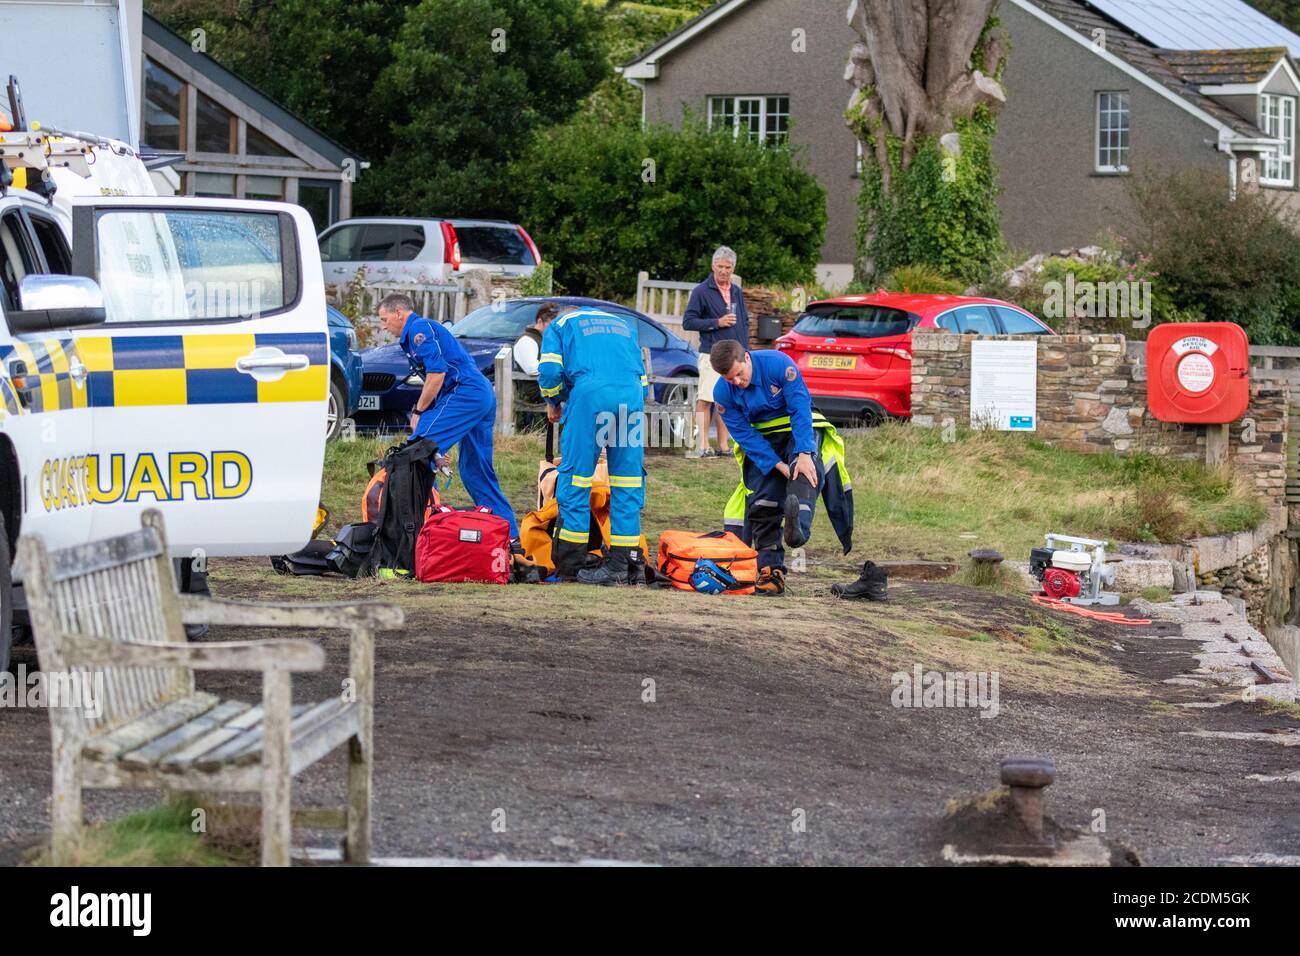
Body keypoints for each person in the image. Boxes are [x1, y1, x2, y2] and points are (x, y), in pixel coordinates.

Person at [377, 293, 521, 546]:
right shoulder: (416, 333)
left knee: (413, 455)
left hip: (464, 393)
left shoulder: (419, 328)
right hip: (479, 394)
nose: (383, 325)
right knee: (475, 471)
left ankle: (406, 537)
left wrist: (419, 413)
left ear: (399, 313)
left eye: (384, 318)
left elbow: (437, 373)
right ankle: (512, 541)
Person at [538, 304, 649, 585]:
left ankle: (571, 564)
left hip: (591, 395)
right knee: (627, 481)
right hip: (632, 396)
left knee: (576, 478)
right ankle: (622, 565)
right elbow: (643, 380)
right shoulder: (623, 325)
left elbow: (550, 372)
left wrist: (555, 401)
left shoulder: (560, 325)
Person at [710, 339, 821, 597]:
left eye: (739, 374)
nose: (737, 382)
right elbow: (745, 435)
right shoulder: (722, 393)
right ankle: (771, 571)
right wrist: (775, 464)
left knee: (803, 474)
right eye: (730, 379)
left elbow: (800, 407)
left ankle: (798, 532)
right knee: (762, 503)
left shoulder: (779, 365)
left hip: (795, 433)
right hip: (764, 443)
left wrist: (804, 452)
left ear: (747, 358)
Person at [682, 246, 748, 459]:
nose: (723, 271)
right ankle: (702, 445)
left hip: (734, 355)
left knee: (726, 400)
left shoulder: (737, 291)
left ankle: (723, 446)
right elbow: (688, 322)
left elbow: (744, 322)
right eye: (719, 266)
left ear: (733, 268)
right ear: (713, 266)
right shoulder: (701, 291)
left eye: (727, 267)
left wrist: (744, 350)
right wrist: (716, 323)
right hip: (711, 353)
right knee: (706, 398)